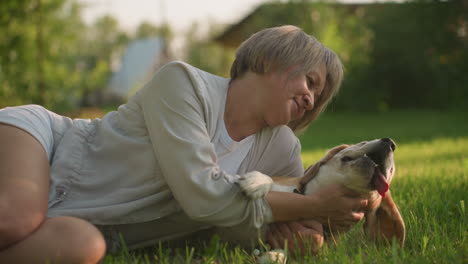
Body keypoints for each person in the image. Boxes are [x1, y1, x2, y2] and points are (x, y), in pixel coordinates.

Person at [0, 25, 367, 263]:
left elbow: (258, 222)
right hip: (47, 146)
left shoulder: (282, 151)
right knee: (15, 220)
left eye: (318, 98)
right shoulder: (181, 83)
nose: (310, 99)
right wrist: (318, 204)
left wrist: (302, 235)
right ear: (273, 57)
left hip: (85, 222)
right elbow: (203, 195)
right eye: (310, 81)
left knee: (84, 248)